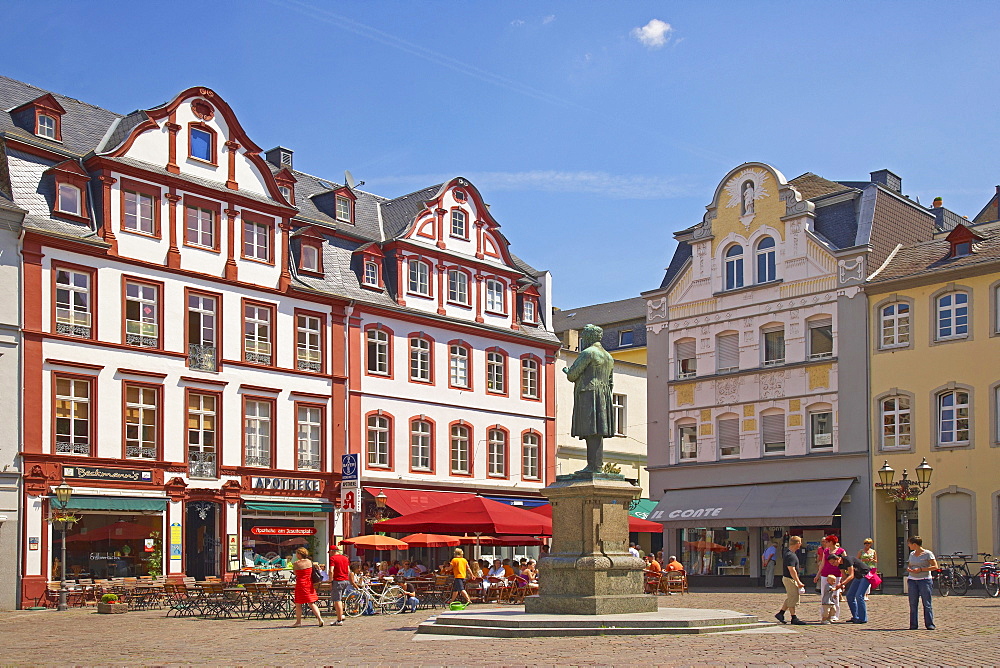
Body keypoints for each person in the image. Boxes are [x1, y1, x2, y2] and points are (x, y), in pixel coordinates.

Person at [828, 552, 871, 624]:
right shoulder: (840, 565)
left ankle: (863, 618)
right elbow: (844, 576)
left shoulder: (848, 560)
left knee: (859, 596)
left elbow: (851, 575)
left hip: (866, 576)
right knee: (850, 596)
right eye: (831, 563)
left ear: (838, 559)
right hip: (858, 577)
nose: (833, 565)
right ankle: (856, 617)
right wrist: (841, 585)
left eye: (833, 562)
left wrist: (841, 584)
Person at [906, 536, 937, 630]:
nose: (908, 545)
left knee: (926, 603)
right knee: (913, 603)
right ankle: (913, 624)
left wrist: (921, 569)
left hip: (924, 580)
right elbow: (910, 564)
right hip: (912, 580)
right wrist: (909, 569)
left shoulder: (928, 554)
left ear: (914, 544)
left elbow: (935, 566)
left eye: (909, 544)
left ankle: (929, 624)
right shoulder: (912, 554)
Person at [775, 536, 806, 625]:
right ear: (797, 543)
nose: (800, 544)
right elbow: (792, 570)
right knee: (793, 598)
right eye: (800, 542)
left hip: (789, 578)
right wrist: (798, 581)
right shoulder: (790, 555)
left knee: (790, 597)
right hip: (790, 579)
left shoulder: (789, 553)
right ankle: (794, 617)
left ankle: (781, 613)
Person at [814, 535, 847, 621]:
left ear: (831, 542)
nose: (825, 543)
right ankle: (824, 613)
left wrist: (844, 578)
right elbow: (823, 563)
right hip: (825, 575)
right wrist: (818, 575)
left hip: (837, 575)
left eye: (827, 542)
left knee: (835, 594)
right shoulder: (826, 551)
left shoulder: (841, 551)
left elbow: (845, 563)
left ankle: (834, 614)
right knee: (824, 594)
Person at [290, 547, 324, 627]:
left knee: (298, 604)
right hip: (309, 584)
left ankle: (298, 622)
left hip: (300, 584)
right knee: (311, 603)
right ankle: (320, 619)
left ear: (299, 554)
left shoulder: (296, 563)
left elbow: (295, 573)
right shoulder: (309, 562)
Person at [328, 545, 350, 626]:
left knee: (337, 600)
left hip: (338, 580)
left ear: (332, 551)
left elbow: (331, 570)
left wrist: (330, 580)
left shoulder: (332, 558)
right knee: (340, 599)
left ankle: (339, 619)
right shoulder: (345, 558)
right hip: (345, 580)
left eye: (330, 552)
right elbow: (348, 570)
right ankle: (341, 615)